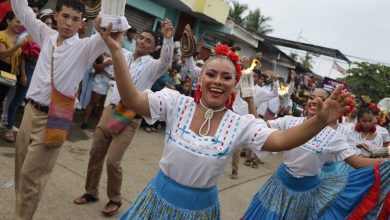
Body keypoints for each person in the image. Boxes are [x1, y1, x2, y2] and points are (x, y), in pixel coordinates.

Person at [98, 21, 352, 219]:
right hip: (156, 201)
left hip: (201, 212)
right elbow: (132, 99)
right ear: (201, 78)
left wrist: (319, 121)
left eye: (226, 77)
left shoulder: (241, 123)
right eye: (211, 74)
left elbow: (282, 140)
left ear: (234, 85)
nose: (218, 81)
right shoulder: (177, 102)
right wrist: (117, 51)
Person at [11, 0, 110, 218]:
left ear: (82, 23)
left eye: (75, 19)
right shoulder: (46, 35)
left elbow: (113, 29)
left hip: (54, 118)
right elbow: (20, 8)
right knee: (21, 170)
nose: (69, 23)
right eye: (65, 16)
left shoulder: (85, 47)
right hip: (29, 113)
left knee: (31, 175)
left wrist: (108, 20)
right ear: (56, 15)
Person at [73, 19, 174, 216]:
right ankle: (91, 192)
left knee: (112, 161)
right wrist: (101, 22)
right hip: (111, 109)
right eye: (141, 38)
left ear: (154, 48)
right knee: (96, 152)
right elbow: (108, 43)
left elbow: (166, 61)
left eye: (148, 41)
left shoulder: (154, 66)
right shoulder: (124, 54)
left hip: (131, 115)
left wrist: (169, 39)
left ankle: (115, 199)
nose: (142, 42)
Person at [243, 88, 389, 219]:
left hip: (305, 195)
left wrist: (387, 160)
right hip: (277, 186)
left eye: (322, 99)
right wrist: (250, 100)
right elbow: (258, 129)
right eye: (312, 97)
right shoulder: (289, 121)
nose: (315, 101)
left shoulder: (336, 136)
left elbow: (357, 162)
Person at [3, 11, 53, 142]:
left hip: (34, 70)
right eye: (46, 23)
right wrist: (24, 73)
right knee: (16, 99)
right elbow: (20, 56)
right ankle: (8, 126)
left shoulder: (49, 38)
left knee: (24, 100)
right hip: (23, 69)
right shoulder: (26, 36)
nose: (49, 26)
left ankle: (22, 128)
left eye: (51, 24)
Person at [0, 11, 27, 137]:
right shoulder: (1, 35)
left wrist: (19, 71)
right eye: (17, 21)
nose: (19, 24)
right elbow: (2, 54)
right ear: (8, 21)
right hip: (1, 69)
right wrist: (18, 45)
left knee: (2, 100)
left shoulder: (18, 38)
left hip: (10, 73)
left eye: (21, 22)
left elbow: (20, 56)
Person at [80, 53, 113, 129]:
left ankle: (98, 125)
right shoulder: (100, 54)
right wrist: (106, 63)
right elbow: (96, 68)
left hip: (110, 83)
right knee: (93, 102)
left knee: (104, 105)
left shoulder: (116, 54)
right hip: (100, 81)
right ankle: (85, 121)